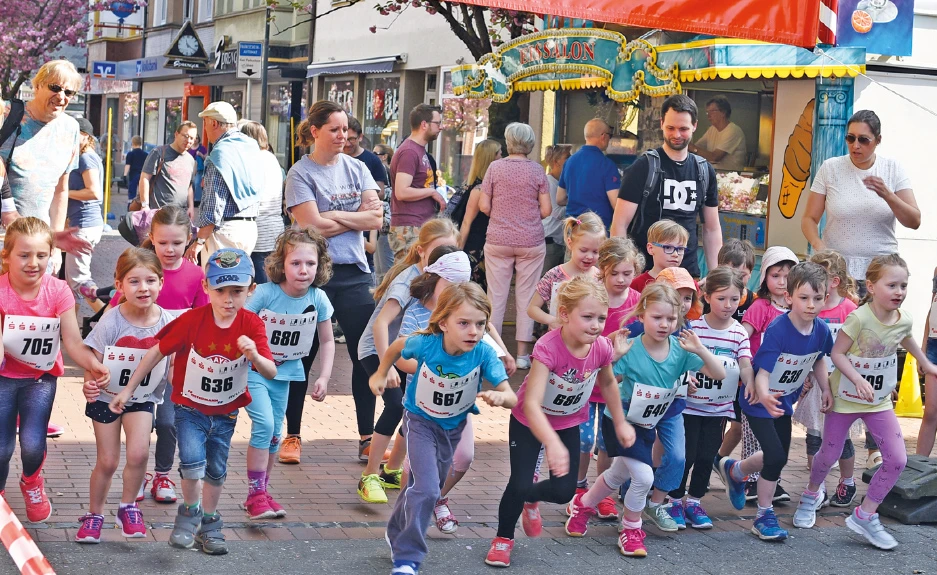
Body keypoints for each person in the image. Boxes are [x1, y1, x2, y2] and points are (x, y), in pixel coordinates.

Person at [109, 248, 277, 555]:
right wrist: (128, 390)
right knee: (191, 463)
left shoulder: (252, 325)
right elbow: (156, 351)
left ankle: (210, 523)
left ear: (251, 290)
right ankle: (189, 514)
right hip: (189, 409)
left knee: (215, 470)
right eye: (221, 291)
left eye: (237, 292)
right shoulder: (192, 320)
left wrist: (254, 354)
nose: (228, 300)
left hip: (226, 413)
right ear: (206, 288)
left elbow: (270, 370)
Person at [564, 283, 724, 558]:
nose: (664, 324)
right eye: (657, 317)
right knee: (643, 476)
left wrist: (700, 350)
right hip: (621, 420)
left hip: (649, 422)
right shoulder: (632, 348)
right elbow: (599, 384)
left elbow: (719, 374)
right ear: (641, 317)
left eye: (671, 319)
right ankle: (631, 529)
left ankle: (584, 505)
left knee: (618, 474)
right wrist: (615, 358)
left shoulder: (681, 348)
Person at [371, 282, 517, 575]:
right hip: (420, 421)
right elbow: (398, 346)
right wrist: (381, 372)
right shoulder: (427, 343)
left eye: (480, 324)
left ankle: (396, 529)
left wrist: (502, 396)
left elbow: (511, 395)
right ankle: (407, 558)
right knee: (425, 490)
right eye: (463, 323)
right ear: (443, 322)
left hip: (453, 427)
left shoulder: (484, 353)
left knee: (425, 488)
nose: (473, 331)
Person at [794, 254, 937, 550]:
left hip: (878, 401)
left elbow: (906, 336)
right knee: (829, 454)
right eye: (892, 285)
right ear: (871, 287)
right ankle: (811, 495)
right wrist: (857, 379)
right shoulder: (859, 318)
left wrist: (926, 364)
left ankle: (865, 513)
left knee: (897, 459)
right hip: (846, 399)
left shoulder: (904, 318)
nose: (899, 292)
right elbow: (837, 353)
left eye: (903, 285)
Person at [486, 278, 630, 568]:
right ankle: (503, 539)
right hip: (529, 422)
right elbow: (530, 402)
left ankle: (531, 499)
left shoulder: (601, 347)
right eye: (587, 317)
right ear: (564, 314)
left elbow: (609, 384)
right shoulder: (548, 347)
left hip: (567, 422)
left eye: (601, 318)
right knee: (519, 481)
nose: (596, 325)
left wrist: (620, 422)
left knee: (565, 491)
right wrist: (550, 443)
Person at [284, 100, 383, 463]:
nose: (343, 136)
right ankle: (292, 435)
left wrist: (333, 216)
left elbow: (375, 220)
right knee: (302, 356)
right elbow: (311, 226)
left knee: (365, 353)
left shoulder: (358, 168)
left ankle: (366, 436)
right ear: (315, 131)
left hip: (354, 273)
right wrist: (353, 216)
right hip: (312, 275)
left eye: (346, 130)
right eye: (335, 130)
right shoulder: (300, 174)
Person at [0, 217, 109, 522]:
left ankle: (32, 481)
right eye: (24, 255)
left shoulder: (59, 291)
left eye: (41, 255)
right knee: (1, 448)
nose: (33, 263)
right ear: (7, 255)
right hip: (4, 379)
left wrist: (93, 364)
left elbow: (72, 342)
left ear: (52, 256)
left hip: (40, 378)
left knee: (33, 444)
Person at [717, 262, 834, 542]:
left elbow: (818, 358)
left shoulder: (821, 330)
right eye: (804, 298)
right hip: (758, 401)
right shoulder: (779, 329)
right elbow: (763, 372)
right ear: (789, 297)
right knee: (777, 457)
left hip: (783, 402)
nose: (811, 305)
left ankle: (736, 469)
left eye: (818, 299)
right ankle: (763, 515)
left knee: (776, 455)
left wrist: (825, 388)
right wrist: (765, 395)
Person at [106, 205, 209, 504]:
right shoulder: (141, 269)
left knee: (167, 423)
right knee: (139, 421)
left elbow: (203, 319)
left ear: (189, 239)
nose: (170, 249)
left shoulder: (195, 276)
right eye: (162, 242)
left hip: (176, 368)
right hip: (136, 364)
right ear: (151, 237)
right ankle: (138, 474)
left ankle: (162, 474)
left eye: (177, 243)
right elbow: (115, 311)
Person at [76, 248, 176, 543]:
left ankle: (128, 507)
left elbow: (172, 364)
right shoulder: (111, 320)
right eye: (134, 281)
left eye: (150, 281)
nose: (143, 288)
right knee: (107, 461)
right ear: (119, 285)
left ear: (161, 282)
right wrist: (88, 384)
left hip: (142, 398)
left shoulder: (167, 322)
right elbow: (93, 360)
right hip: (106, 397)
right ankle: (94, 514)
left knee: (139, 453)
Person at [355, 218, 460, 501]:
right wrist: (383, 365)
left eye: (451, 251)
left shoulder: (447, 280)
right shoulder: (407, 280)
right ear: (422, 250)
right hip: (377, 349)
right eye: (438, 251)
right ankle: (369, 475)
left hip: (407, 352)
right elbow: (380, 325)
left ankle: (391, 470)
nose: (444, 258)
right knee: (395, 405)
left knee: (413, 408)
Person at [243, 228, 335, 519]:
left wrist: (323, 376)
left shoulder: (318, 299)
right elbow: (241, 323)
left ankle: (262, 492)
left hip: (287, 375)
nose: (303, 270)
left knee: (275, 435)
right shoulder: (266, 293)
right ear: (281, 264)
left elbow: (328, 340)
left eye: (310, 263)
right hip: (255, 372)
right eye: (296, 263)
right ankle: (255, 493)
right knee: (265, 425)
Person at [565, 236, 644, 521]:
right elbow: (574, 336)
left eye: (628, 273)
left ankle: (603, 495)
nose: (621, 279)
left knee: (606, 444)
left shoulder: (638, 303)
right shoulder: (592, 298)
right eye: (615, 273)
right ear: (603, 269)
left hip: (617, 386)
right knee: (584, 441)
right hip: (587, 383)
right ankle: (578, 488)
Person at [671, 267, 754, 529]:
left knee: (707, 456)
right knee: (686, 455)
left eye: (733, 299)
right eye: (721, 298)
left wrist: (751, 382)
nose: (727, 305)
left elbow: (745, 363)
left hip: (719, 410)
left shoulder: (738, 332)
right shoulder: (693, 328)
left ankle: (694, 501)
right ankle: (674, 500)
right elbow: (679, 363)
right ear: (706, 296)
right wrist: (686, 379)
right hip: (690, 407)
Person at [801, 110, 920, 286]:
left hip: (881, 271)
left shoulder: (892, 169)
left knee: (875, 315)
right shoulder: (830, 168)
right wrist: (819, 247)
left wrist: (888, 195)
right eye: (850, 138)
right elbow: (809, 219)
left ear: (878, 140)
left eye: (863, 139)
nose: (855, 145)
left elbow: (914, 221)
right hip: (837, 269)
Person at [611, 94, 722, 277]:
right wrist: (625, 271)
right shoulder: (644, 166)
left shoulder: (704, 171)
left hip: (688, 274)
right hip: (647, 274)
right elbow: (620, 224)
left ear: (695, 126)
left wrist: (716, 275)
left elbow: (711, 228)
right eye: (670, 128)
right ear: (662, 123)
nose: (676, 135)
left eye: (683, 129)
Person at [0, 59, 91, 259]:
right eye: (55, 87)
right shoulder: (6, 114)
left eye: (68, 92)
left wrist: (54, 245)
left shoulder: (70, 129)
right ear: (38, 85)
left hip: (38, 244)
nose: (61, 96)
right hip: (3, 241)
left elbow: (61, 189)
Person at [479, 122, 552, 367]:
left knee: (496, 297)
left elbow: (484, 206)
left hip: (498, 239)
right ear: (530, 144)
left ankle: (496, 354)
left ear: (508, 142)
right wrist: (527, 216)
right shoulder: (537, 171)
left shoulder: (494, 168)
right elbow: (547, 209)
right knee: (527, 296)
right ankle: (522, 356)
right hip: (530, 241)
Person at [793, 250, 858, 506]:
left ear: (834, 281)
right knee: (814, 435)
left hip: (841, 383)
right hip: (816, 383)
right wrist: (805, 374)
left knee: (842, 436)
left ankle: (847, 481)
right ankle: (816, 487)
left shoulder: (849, 309)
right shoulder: (812, 309)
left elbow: (856, 347)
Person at [738, 245, 799, 502]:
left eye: (788, 275)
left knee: (779, 438)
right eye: (776, 275)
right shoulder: (761, 306)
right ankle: (750, 480)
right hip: (755, 380)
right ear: (764, 278)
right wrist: (746, 372)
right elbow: (743, 336)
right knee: (753, 433)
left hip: (783, 385)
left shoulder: (798, 310)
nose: (782, 281)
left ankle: (773, 480)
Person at [185, 102, 265, 267]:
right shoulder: (250, 145)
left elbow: (214, 206)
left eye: (205, 123)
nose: (205, 129)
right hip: (250, 228)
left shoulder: (220, 152)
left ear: (214, 123)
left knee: (220, 287)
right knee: (238, 286)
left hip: (226, 232)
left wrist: (199, 241)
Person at [526, 214, 605, 337]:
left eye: (595, 251)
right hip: (558, 340)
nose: (589, 256)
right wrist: (551, 320)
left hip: (590, 342)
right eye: (583, 250)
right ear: (570, 243)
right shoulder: (554, 275)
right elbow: (532, 308)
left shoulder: (601, 278)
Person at [388, 104, 445, 259]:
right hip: (409, 226)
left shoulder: (418, 150)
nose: (441, 127)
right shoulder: (409, 152)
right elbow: (401, 191)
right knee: (408, 277)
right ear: (424, 125)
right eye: (437, 123)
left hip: (418, 224)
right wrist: (432, 192)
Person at [65, 118, 106, 310]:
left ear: (86, 136)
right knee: (75, 281)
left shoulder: (86, 158)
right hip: (85, 223)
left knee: (78, 280)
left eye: (75, 134)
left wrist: (64, 193)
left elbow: (94, 192)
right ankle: (70, 327)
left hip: (84, 224)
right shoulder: (87, 156)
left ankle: (107, 314)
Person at [451, 139, 501, 292]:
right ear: (490, 158)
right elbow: (466, 222)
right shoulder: (479, 189)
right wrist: (458, 251)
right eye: (499, 154)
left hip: (485, 246)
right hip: (476, 249)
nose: (502, 157)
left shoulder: (486, 186)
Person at [239, 122, 285, 284]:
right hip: (275, 229)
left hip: (258, 229)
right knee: (272, 280)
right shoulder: (271, 159)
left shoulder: (252, 159)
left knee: (258, 283)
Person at [556, 119, 621, 230]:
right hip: (597, 230)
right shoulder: (607, 165)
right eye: (609, 135)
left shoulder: (569, 162)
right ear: (603, 136)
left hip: (573, 228)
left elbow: (560, 199)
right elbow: (616, 204)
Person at [139, 121, 197, 212]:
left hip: (180, 215)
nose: (188, 140)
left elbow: (189, 186)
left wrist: (191, 207)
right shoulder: (159, 152)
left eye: (192, 138)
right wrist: (144, 205)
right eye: (186, 136)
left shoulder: (191, 160)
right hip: (158, 212)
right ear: (176, 134)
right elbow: (144, 178)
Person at [688, 96, 748, 171]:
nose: (708, 115)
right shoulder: (712, 129)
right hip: (714, 173)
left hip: (730, 177)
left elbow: (715, 157)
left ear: (723, 112)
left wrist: (691, 147)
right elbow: (697, 147)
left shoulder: (733, 131)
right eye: (707, 112)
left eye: (712, 111)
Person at [631, 220, 689, 293]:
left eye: (680, 249)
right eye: (668, 248)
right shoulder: (636, 284)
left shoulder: (688, 283)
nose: (675, 254)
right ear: (651, 248)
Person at [542, 144, 572, 272]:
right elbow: (556, 212)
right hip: (551, 242)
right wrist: (574, 204)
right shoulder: (550, 183)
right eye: (567, 157)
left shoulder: (561, 183)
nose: (570, 159)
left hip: (558, 242)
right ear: (556, 162)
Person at [918, 265, 937, 456]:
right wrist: (922, 351)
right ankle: (918, 466)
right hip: (934, 345)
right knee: (930, 411)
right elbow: (933, 309)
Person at [345, 116, 388, 200]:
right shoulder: (334, 158)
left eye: (351, 139)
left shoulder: (373, 160)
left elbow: (381, 193)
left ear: (360, 137)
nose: (347, 144)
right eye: (344, 139)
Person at [372, 143, 396, 280]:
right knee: (381, 266)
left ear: (384, 156)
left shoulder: (384, 171)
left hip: (385, 222)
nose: (373, 156)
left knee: (384, 267)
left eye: (376, 154)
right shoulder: (389, 171)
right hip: (384, 222)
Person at [124, 136, 148, 204]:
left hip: (133, 175)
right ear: (140, 143)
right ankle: (141, 207)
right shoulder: (145, 154)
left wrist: (125, 175)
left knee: (132, 193)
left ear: (132, 143)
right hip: (142, 176)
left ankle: (130, 208)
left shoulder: (130, 154)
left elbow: (128, 165)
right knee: (142, 193)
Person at [188, 134, 208, 208]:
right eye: (194, 138)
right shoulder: (189, 148)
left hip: (199, 169)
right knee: (191, 184)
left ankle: (197, 200)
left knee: (197, 184)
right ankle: (190, 200)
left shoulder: (202, 148)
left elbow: (206, 159)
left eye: (197, 138)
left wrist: (201, 155)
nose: (195, 139)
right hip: (190, 169)